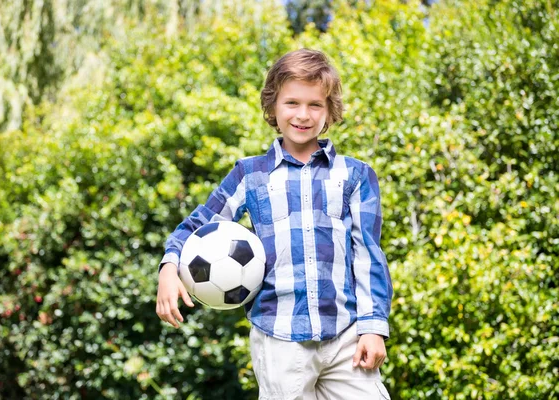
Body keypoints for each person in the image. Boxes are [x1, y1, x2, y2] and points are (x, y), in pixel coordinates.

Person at [156, 48, 393, 400]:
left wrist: (373, 328)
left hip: (346, 336)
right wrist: (169, 268)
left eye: (315, 105)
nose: (303, 114)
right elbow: (197, 225)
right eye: (291, 103)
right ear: (273, 107)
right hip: (279, 338)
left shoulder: (355, 175)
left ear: (329, 112)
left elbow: (369, 256)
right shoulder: (249, 175)